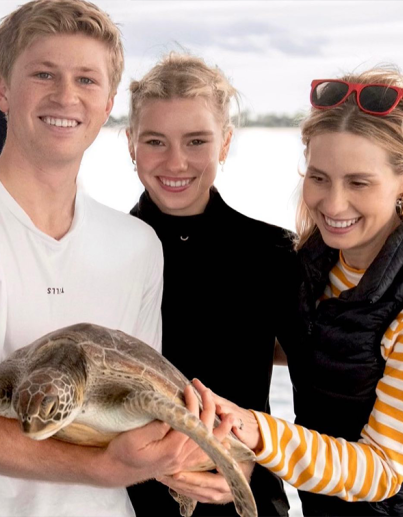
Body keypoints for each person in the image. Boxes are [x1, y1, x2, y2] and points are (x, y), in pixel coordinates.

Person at [0, 2, 229, 516]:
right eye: (44, 74)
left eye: (87, 80)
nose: (66, 96)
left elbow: (138, 413)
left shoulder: (139, 245)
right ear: (3, 89)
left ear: (108, 104)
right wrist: (104, 469)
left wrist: (183, 459)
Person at [200, 68, 403, 516]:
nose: (332, 204)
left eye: (359, 183)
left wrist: (256, 432)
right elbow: (329, 348)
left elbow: (382, 469)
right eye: (319, 177)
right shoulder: (318, 260)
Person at [123, 53, 294, 516]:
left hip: (248, 491)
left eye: (196, 140)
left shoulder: (274, 251)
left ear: (225, 143)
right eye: (155, 141)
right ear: (130, 144)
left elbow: (320, 398)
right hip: (129, 493)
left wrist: (250, 461)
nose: (176, 162)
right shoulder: (102, 249)